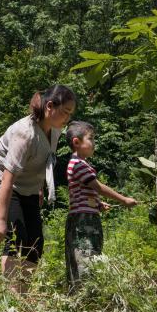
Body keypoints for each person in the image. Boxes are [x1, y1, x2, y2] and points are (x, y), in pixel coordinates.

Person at [0, 85, 75, 292]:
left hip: (27, 188)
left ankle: (22, 293)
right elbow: (7, 177)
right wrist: (0, 220)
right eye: (66, 112)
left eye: (70, 114)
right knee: (16, 238)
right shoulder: (25, 134)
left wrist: (39, 188)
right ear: (50, 106)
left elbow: (43, 159)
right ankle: (9, 298)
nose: (67, 118)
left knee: (35, 243)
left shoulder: (55, 130)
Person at [63, 120, 137, 292]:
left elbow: (84, 192)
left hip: (85, 215)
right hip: (83, 220)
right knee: (85, 255)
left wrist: (97, 204)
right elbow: (97, 186)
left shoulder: (81, 164)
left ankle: (82, 293)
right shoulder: (79, 165)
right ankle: (84, 294)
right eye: (91, 139)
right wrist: (123, 199)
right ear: (76, 142)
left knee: (88, 254)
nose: (94, 143)